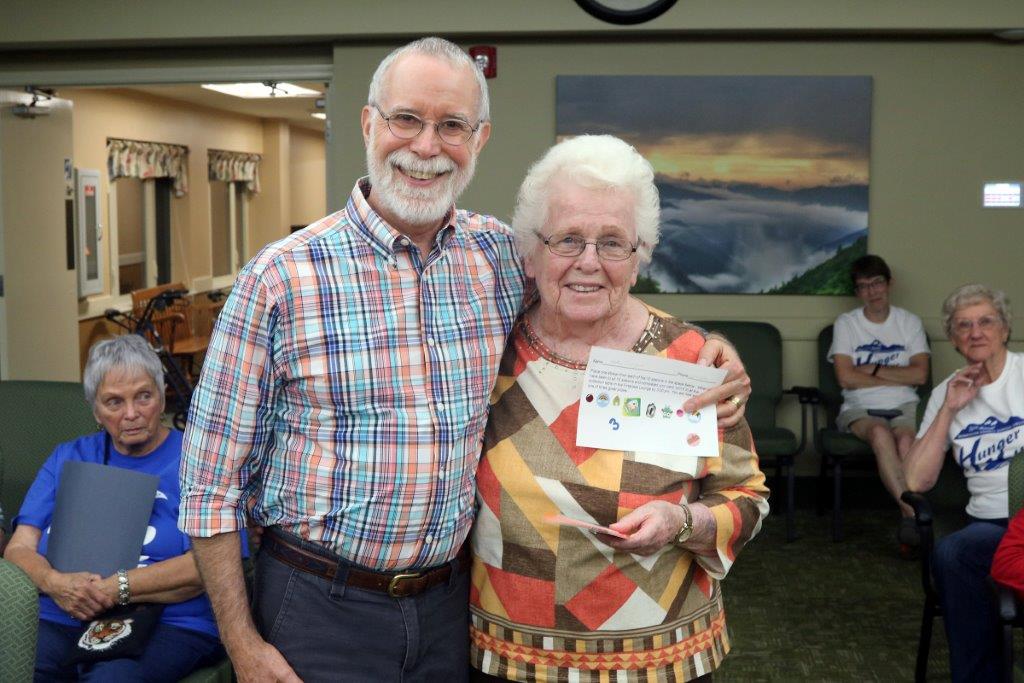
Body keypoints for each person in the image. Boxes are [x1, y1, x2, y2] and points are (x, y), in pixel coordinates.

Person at [179, 37, 752, 683]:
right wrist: (241, 644)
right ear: (368, 124)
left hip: (449, 610)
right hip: (319, 605)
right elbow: (207, 489)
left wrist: (703, 347)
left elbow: (590, 281)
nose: (427, 146)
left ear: (479, 139)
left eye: (452, 125)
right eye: (406, 119)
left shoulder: (498, 257)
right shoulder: (279, 279)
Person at [468, 135, 769, 682]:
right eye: (567, 239)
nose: (588, 262)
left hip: (658, 660)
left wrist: (683, 522)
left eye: (612, 243)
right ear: (531, 253)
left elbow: (747, 497)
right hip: (510, 658)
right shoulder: (486, 351)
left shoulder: (692, 359)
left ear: (638, 259)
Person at [3, 334, 225, 681]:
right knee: (21, 671)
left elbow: (205, 565)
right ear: (95, 409)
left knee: (112, 678)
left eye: (143, 396)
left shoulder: (199, 462)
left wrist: (116, 587)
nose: (131, 413)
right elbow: (19, 548)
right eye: (114, 402)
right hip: (62, 612)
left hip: (168, 620)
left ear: (162, 395)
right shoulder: (68, 457)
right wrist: (55, 583)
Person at [904, 284, 1022, 683]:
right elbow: (916, 479)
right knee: (953, 554)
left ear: (1004, 328)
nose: (976, 332)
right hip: (991, 525)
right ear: (953, 339)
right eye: (963, 325)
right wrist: (949, 411)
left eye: (986, 321)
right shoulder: (946, 392)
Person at [828, 255, 929, 553]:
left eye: (877, 283)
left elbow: (920, 375)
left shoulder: (909, 322)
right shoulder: (847, 323)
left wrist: (870, 369)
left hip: (905, 404)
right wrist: (897, 374)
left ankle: (911, 523)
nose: (872, 291)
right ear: (857, 292)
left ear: (889, 284)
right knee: (880, 433)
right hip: (859, 407)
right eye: (864, 286)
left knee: (906, 440)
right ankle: (914, 516)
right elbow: (845, 378)